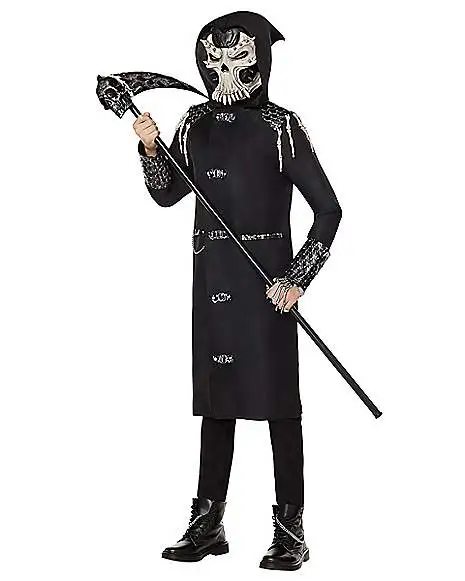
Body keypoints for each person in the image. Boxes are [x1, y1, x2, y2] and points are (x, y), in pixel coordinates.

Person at [133, 11, 342, 571]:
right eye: (215, 62)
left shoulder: (281, 126)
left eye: (238, 61)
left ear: (261, 63)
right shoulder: (193, 123)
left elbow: (328, 210)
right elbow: (167, 194)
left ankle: (291, 530)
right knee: (217, 403)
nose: (224, 74)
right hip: (212, 282)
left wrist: (298, 278)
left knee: (279, 406)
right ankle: (208, 524)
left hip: (267, 285)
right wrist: (152, 148)